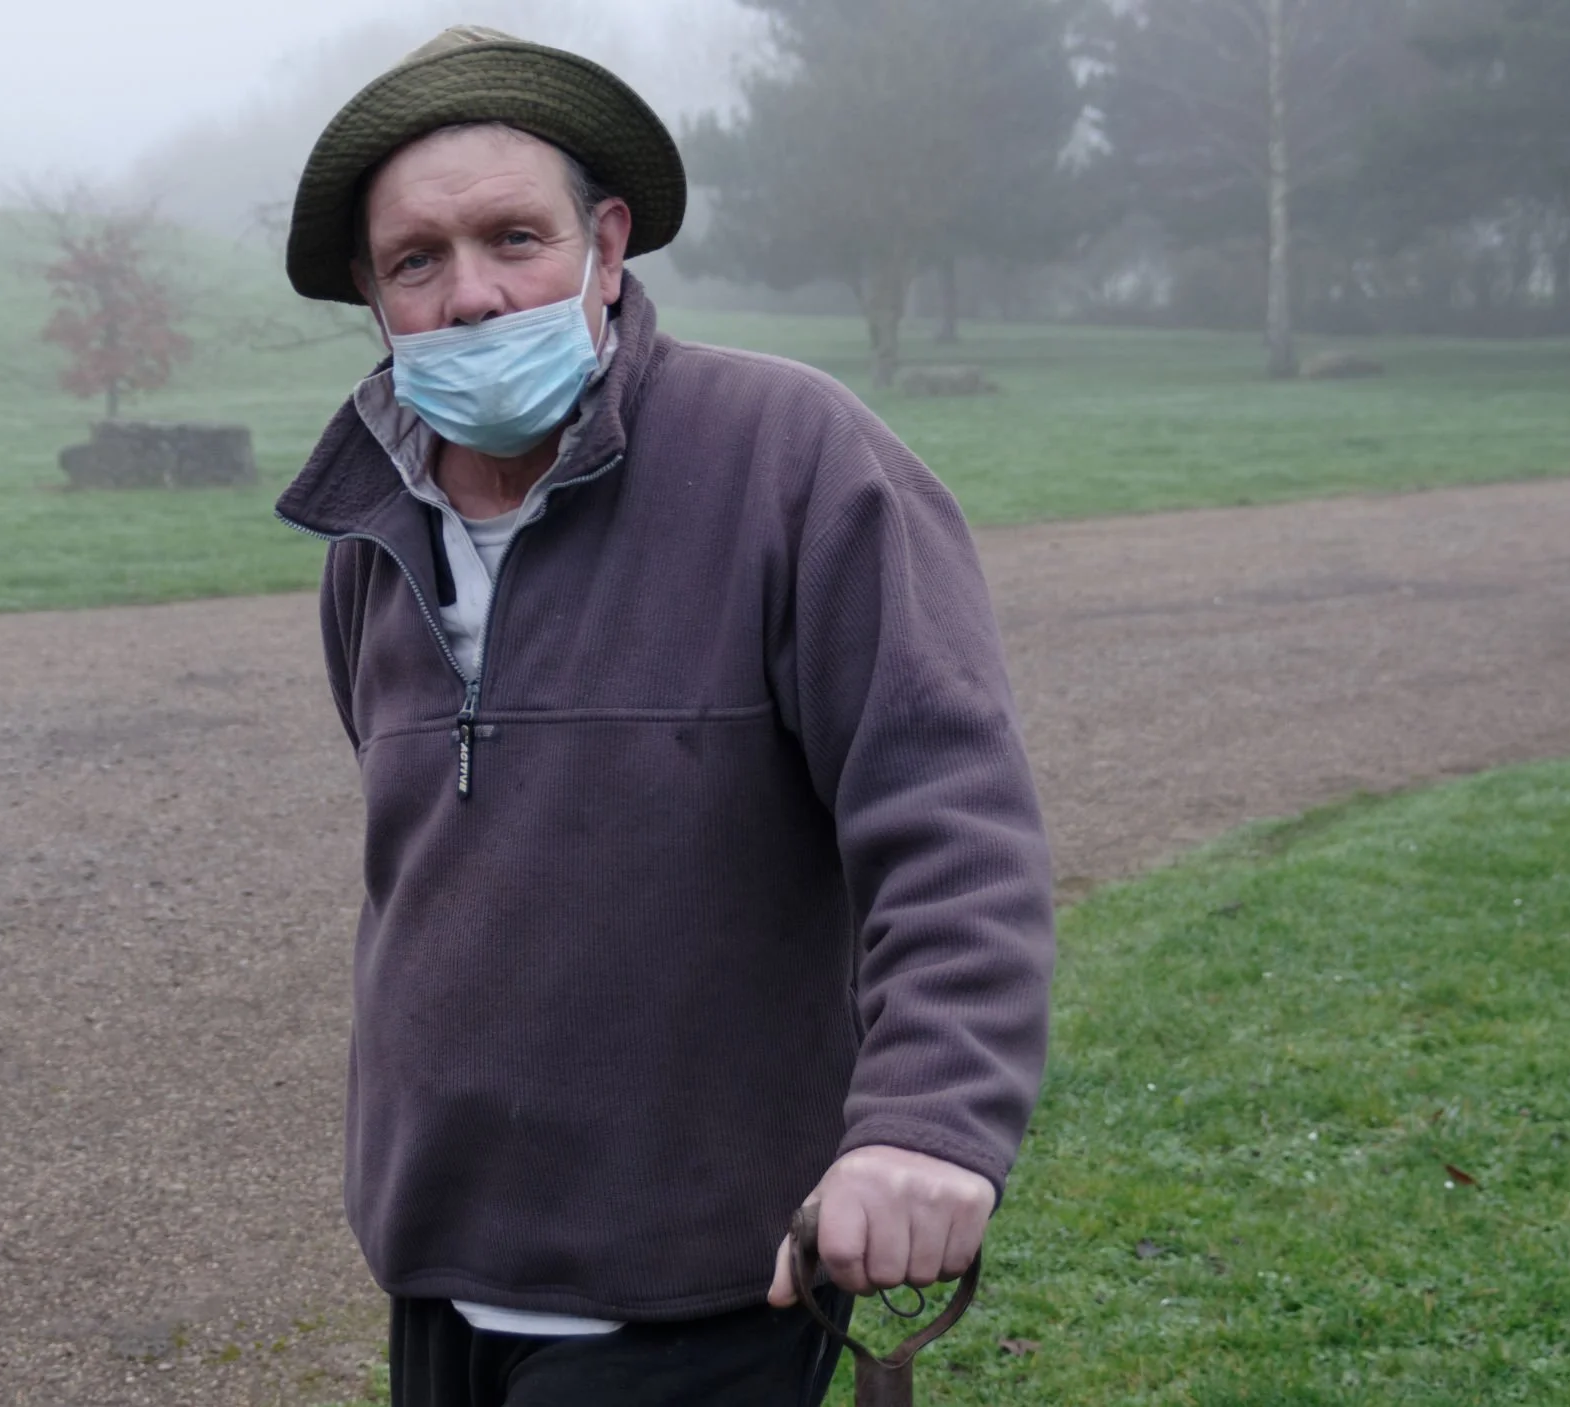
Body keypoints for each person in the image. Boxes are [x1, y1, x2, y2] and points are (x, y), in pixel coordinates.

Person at [271, 26, 1057, 1407]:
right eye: (416, 260)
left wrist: (930, 1119)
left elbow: (951, 818)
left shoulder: (794, 460)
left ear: (606, 242)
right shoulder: (369, 531)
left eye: (514, 237)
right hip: (443, 1268)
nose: (469, 297)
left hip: (709, 1277)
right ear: (370, 291)